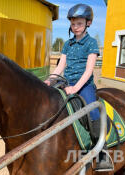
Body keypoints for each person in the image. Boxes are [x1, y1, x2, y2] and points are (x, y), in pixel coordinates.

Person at [44, 4, 113, 171]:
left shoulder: (91, 43)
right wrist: (49, 81)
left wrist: (75, 89)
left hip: (84, 84)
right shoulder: (67, 44)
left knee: (93, 111)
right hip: (66, 82)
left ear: (88, 23)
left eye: (79, 24)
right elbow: (60, 67)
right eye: (73, 24)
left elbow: (89, 71)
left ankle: (101, 150)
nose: (75, 27)